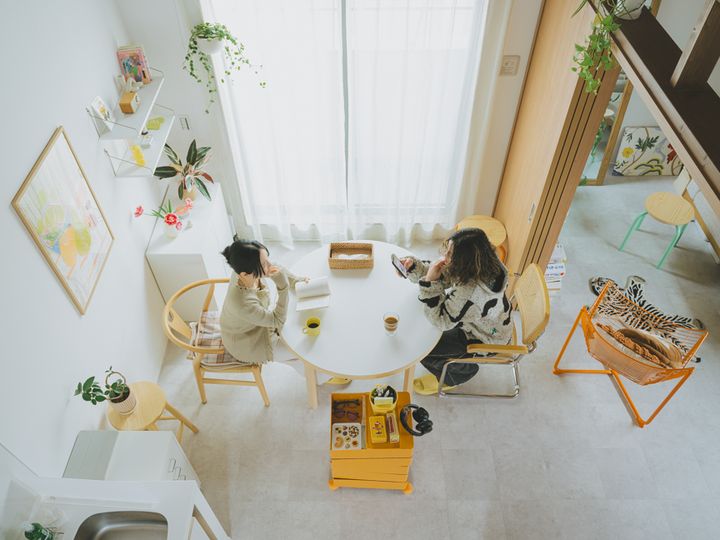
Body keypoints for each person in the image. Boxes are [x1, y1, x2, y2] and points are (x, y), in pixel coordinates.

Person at [398, 228, 513, 394]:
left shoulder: (470, 293)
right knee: (424, 332)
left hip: (485, 338)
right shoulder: (483, 262)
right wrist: (414, 267)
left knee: (422, 348)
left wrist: (429, 282)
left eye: (450, 254)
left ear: (463, 261)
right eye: (448, 249)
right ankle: (457, 364)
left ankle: (457, 375)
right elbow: (446, 275)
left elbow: (441, 320)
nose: (445, 257)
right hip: (492, 322)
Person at [219, 239, 346, 384]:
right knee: (303, 352)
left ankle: (317, 376)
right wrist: (283, 287)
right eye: (264, 264)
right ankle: (321, 378)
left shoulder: (244, 269)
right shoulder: (242, 303)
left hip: (257, 322)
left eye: (267, 259)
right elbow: (277, 320)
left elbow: (275, 268)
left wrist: (295, 280)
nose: (269, 265)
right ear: (244, 274)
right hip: (250, 342)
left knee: (297, 348)